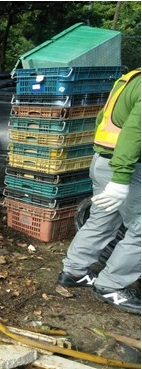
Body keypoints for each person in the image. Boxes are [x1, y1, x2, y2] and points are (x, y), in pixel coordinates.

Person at [57, 68, 141, 314]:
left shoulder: (132, 78)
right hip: (125, 166)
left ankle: (73, 272)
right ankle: (111, 285)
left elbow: (103, 118)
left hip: (105, 160)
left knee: (103, 218)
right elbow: (135, 133)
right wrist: (122, 177)